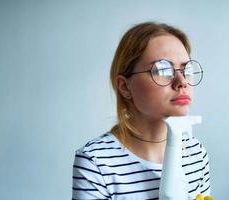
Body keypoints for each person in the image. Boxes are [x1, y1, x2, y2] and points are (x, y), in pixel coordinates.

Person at [72, 22, 210, 199]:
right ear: (125, 86)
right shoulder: (96, 162)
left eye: (187, 69)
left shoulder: (196, 154)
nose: (182, 81)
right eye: (163, 69)